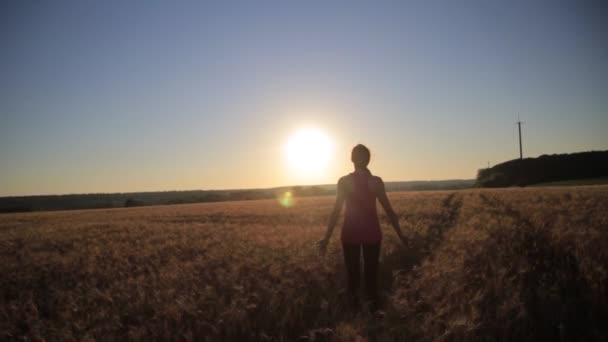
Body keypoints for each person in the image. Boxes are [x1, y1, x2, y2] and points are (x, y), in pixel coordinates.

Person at [318, 144, 406, 310]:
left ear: (351, 159)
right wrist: (401, 236)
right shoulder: (375, 181)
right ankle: (372, 313)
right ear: (368, 159)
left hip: (349, 234)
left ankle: (354, 313)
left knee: (352, 277)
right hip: (372, 234)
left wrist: (326, 238)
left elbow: (335, 212)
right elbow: (389, 211)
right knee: (371, 276)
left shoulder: (344, 181)